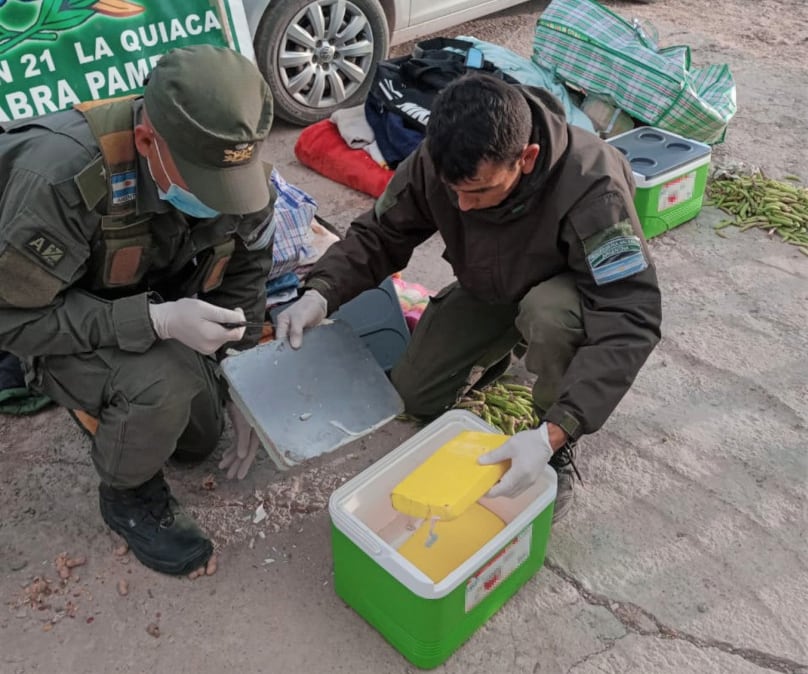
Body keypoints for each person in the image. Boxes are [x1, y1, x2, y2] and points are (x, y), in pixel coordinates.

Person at [275, 72, 662, 520]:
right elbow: (381, 233)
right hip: (490, 284)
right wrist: (321, 292)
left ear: (528, 158)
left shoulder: (594, 188)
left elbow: (632, 313)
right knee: (414, 396)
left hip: (566, 291)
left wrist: (556, 431)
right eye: (453, 191)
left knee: (549, 316)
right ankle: (506, 346)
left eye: (479, 192)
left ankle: (553, 438)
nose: (462, 207)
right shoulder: (438, 160)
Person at [0, 45, 275, 576]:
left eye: (230, 189)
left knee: (197, 442)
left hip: (147, 296)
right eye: (206, 187)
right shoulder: (61, 176)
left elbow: (248, 266)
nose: (223, 202)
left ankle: (122, 403)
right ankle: (127, 497)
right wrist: (155, 321)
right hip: (54, 314)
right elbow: (13, 318)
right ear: (148, 141)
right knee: (161, 388)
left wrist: (244, 377)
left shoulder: (235, 169)